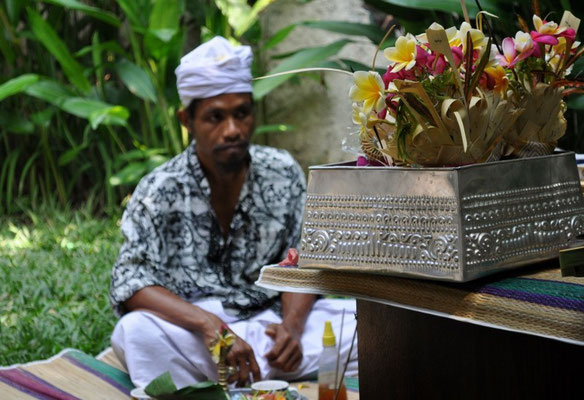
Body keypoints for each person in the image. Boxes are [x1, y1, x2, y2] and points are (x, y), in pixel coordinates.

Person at [109, 36, 357, 389]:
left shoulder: (281, 171)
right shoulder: (160, 189)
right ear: (187, 120)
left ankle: (237, 380)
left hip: (272, 328)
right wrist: (211, 326)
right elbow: (130, 281)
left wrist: (292, 329)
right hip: (200, 336)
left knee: (363, 322)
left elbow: (305, 259)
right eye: (215, 117)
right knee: (134, 334)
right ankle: (254, 380)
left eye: (241, 113)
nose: (232, 130)